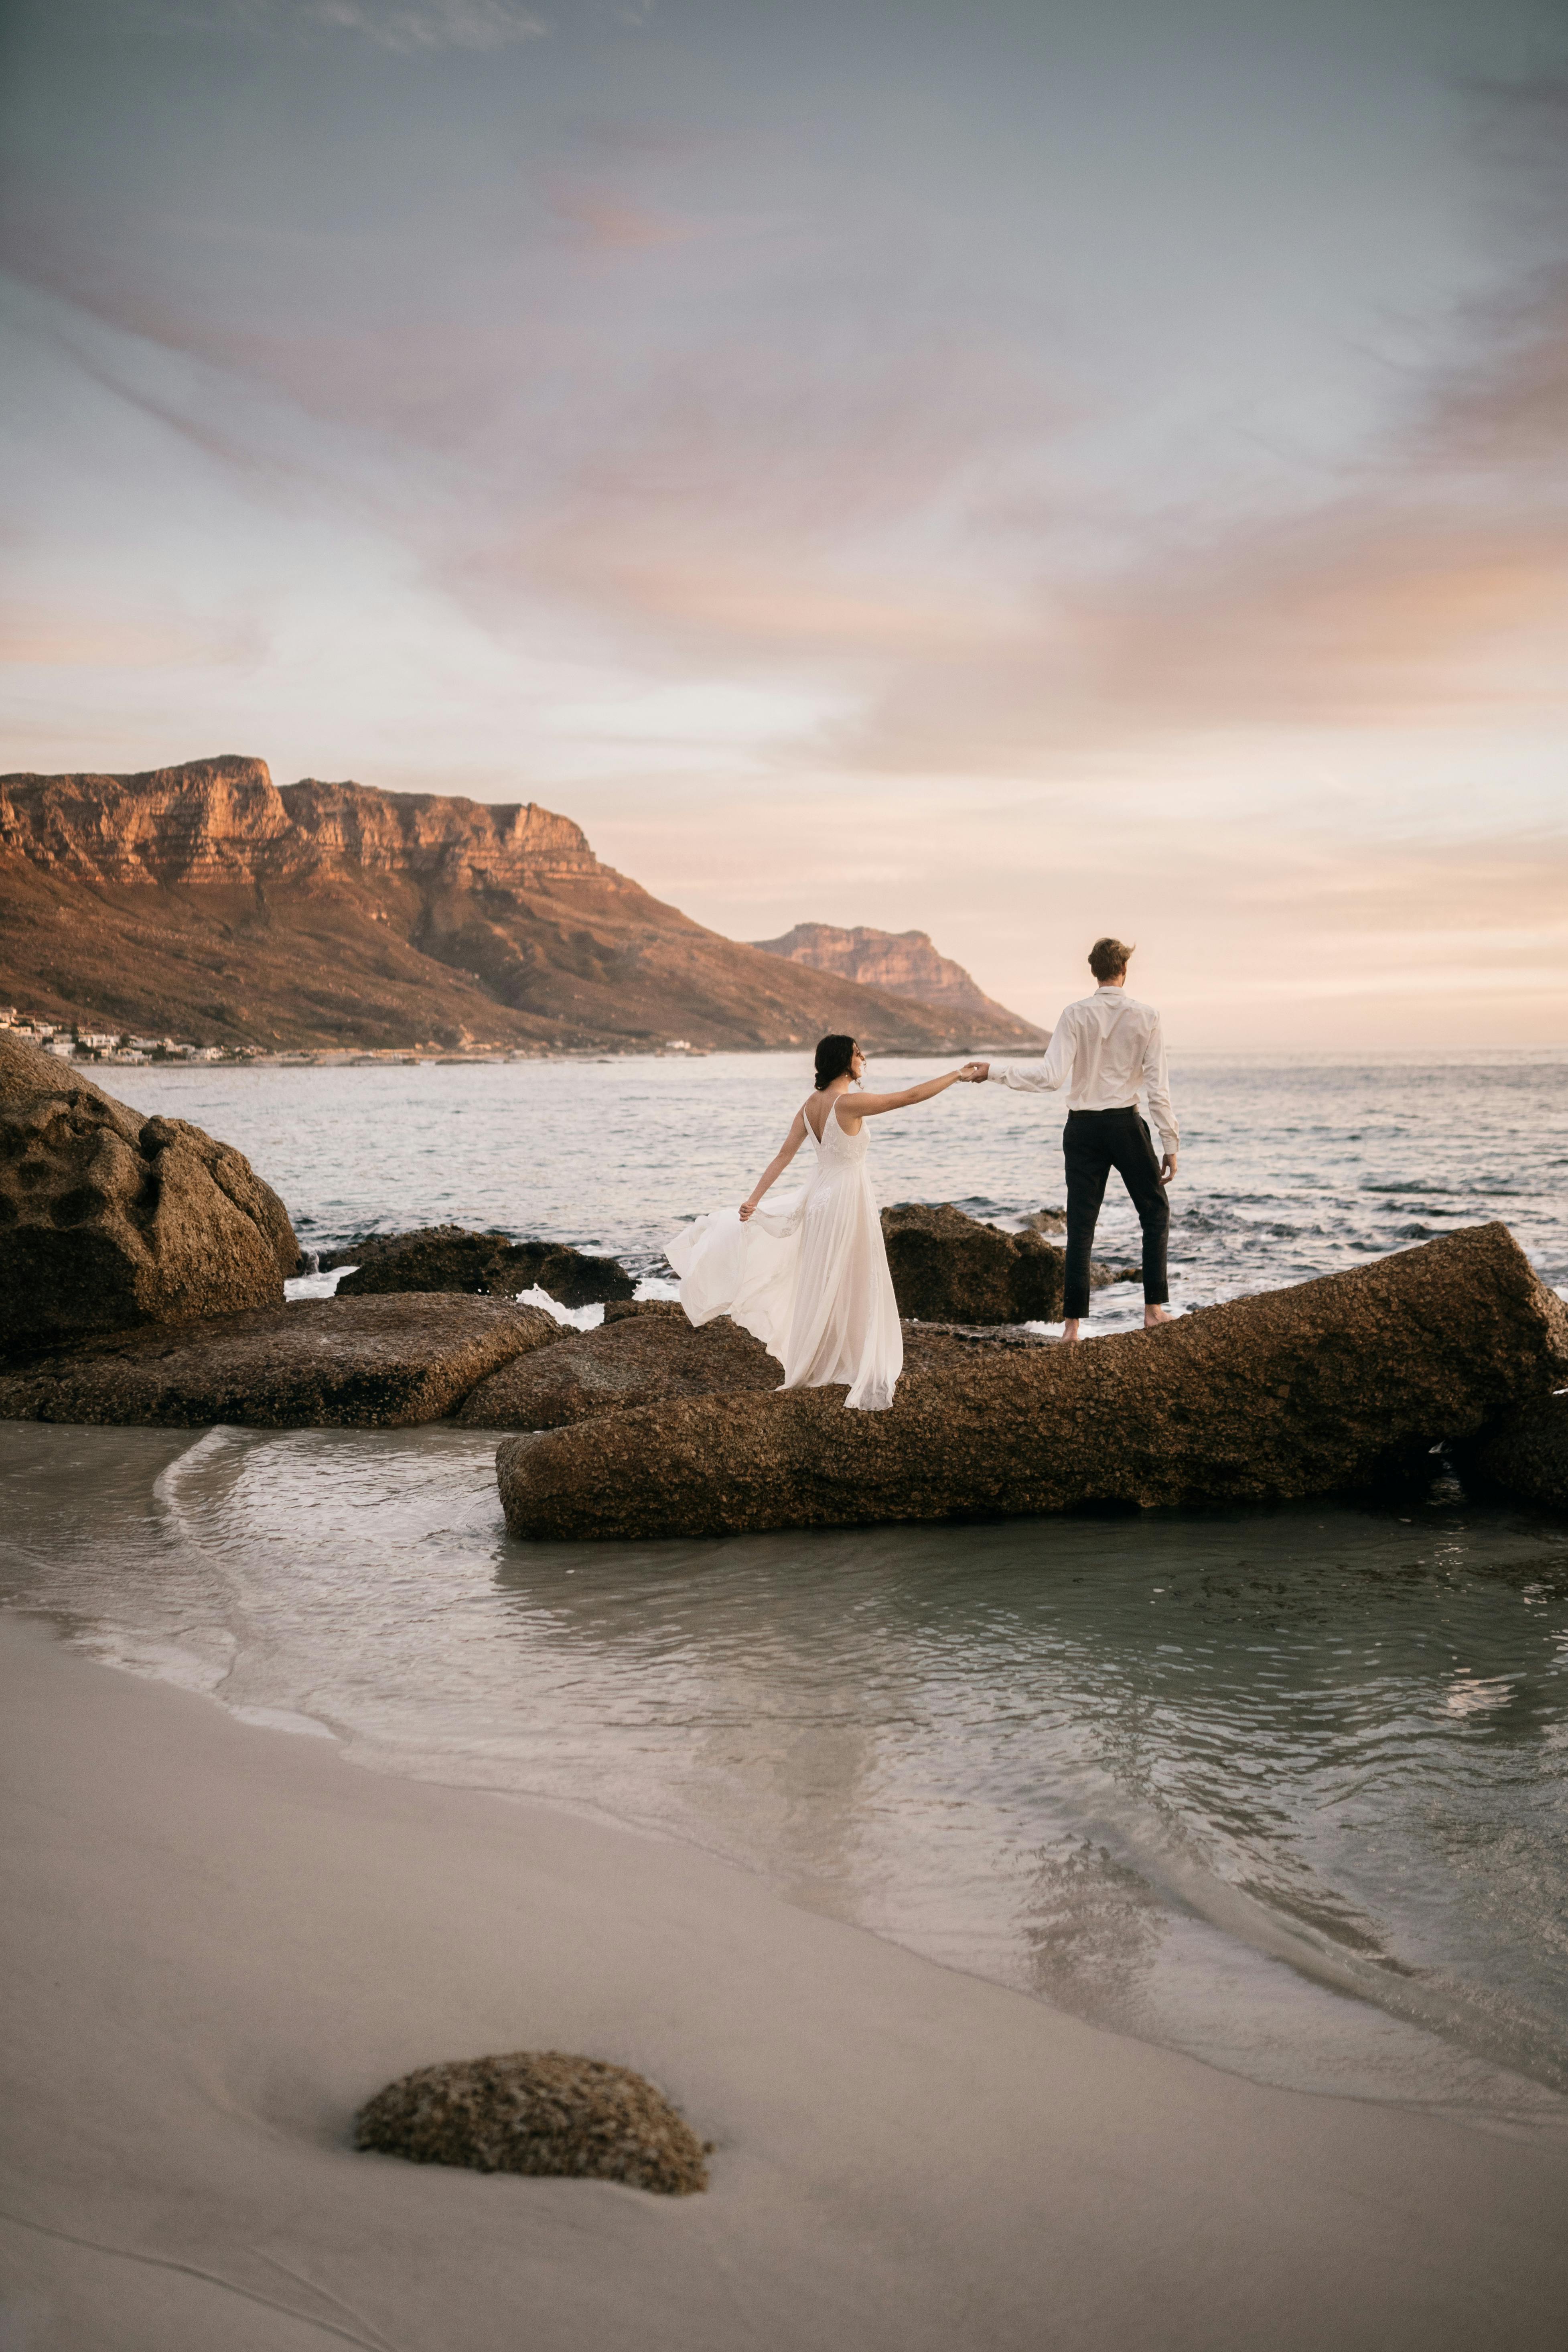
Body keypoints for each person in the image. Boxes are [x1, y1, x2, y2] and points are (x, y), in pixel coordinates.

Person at [666, 1035, 987, 1410]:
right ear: (843, 1061)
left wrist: (754, 1198)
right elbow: (910, 1097)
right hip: (845, 1199)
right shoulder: (847, 1104)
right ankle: (850, 1363)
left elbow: (782, 1156)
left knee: (824, 1279)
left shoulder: (811, 1105)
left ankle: (824, 1362)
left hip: (820, 1198)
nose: (862, 1058)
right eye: (856, 1053)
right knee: (854, 1279)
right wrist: (956, 1074)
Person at [973, 938, 1178, 1345]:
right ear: (1125, 970)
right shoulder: (1147, 1017)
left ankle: (1072, 1329)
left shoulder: (1074, 1014)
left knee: (1081, 1227)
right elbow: (1158, 1089)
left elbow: (1050, 1078)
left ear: (1094, 971)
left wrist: (992, 1071)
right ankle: (1153, 1311)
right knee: (1154, 1213)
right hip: (1125, 1125)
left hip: (1082, 1129)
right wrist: (1170, 1142)